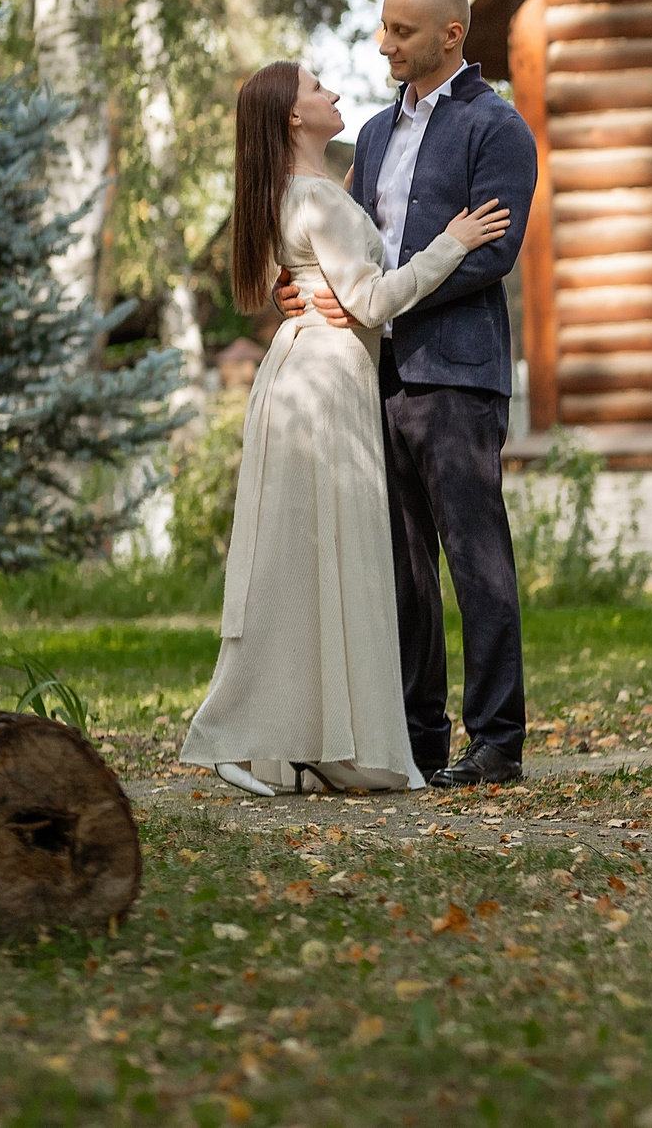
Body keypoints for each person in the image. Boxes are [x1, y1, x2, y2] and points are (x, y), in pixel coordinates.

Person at [183, 61, 509, 797]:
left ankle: (310, 740)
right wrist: (452, 241)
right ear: (293, 117)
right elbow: (370, 299)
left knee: (320, 564)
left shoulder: (313, 190)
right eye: (315, 86)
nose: (332, 91)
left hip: (313, 373)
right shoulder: (316, 199)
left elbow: (331, 268)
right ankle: (236, 732)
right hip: (325, 381)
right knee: (307, 564)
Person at [279, 0, 538, 788]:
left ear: (450, 37)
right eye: (383, 28)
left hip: (456, 374)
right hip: (374, 374)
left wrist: (381, 296)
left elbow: (491, 249)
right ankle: (419, 738)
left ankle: (497, 741)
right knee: (401, 567)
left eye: (399, 31)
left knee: (475, 558)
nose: (383, 44)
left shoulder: (498, 128)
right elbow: (349, 240)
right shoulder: (376, 134)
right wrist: (312, 287)